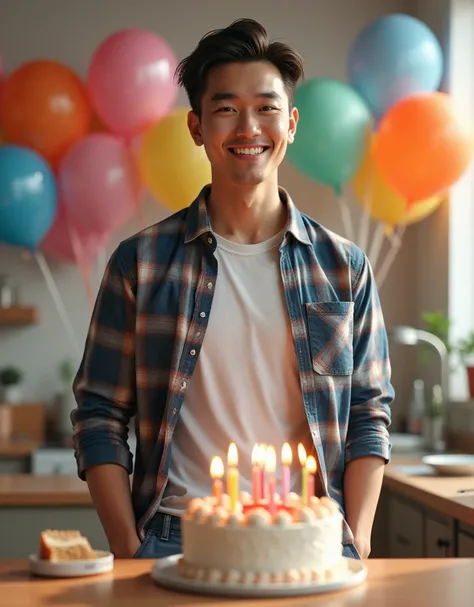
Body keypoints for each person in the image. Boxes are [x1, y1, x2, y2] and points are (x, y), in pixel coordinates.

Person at [71, 18, 395, 562]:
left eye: (267, 108)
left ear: (291, 123)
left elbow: (368, 412)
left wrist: (356, 538)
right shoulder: (141, 263)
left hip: (310, 541)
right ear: (197, 127)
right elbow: (99, 412)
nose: (248, 127)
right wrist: (128, 545)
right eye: (226, 109)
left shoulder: (345, 268)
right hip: (176, 540)